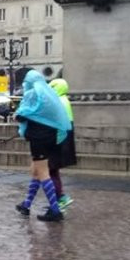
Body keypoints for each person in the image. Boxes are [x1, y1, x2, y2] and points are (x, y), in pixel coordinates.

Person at [15, 70, 71, 222]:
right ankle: (26, 205)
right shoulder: (49, 95)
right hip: (52, 137)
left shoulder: (32, 94)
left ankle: (55, 209)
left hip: (38, 138)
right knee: (35, 171)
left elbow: (22, 115)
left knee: (42, 172)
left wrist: (18, 116)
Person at [48, 78, 76, 211]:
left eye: (52, 87)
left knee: (50, 170)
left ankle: (59, 199)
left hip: (58, 140)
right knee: (53, 171)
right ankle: (58, 198)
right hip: (64, 140)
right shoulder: (65, 100)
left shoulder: (58, 101)